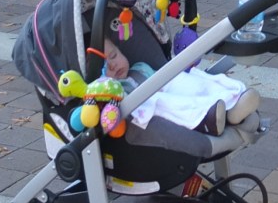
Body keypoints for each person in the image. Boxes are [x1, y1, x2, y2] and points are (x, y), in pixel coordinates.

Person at [102, 37, 259, 135]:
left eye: (114, 56)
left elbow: (165, 78)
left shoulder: (140, 67)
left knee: (185, 80)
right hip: (155, 102)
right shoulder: (114, 90)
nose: (113, 65)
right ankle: (208, 117)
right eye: (104, 66)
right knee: (165, 102)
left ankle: (232, 103)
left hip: (168, 88)